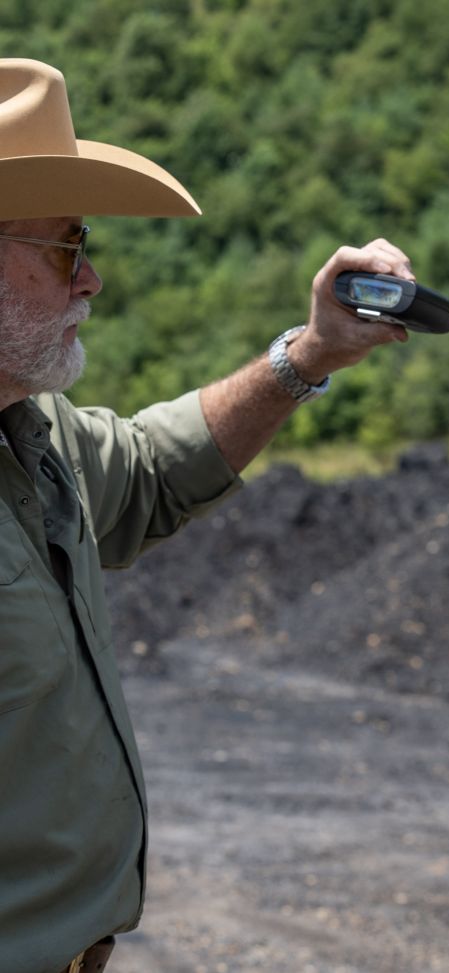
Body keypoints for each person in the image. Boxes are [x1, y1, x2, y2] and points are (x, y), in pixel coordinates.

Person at [0, 58, 418, 973]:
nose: (92, 280)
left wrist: (308, 354)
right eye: (68, 248)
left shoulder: (30, 434)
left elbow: (150, 470)